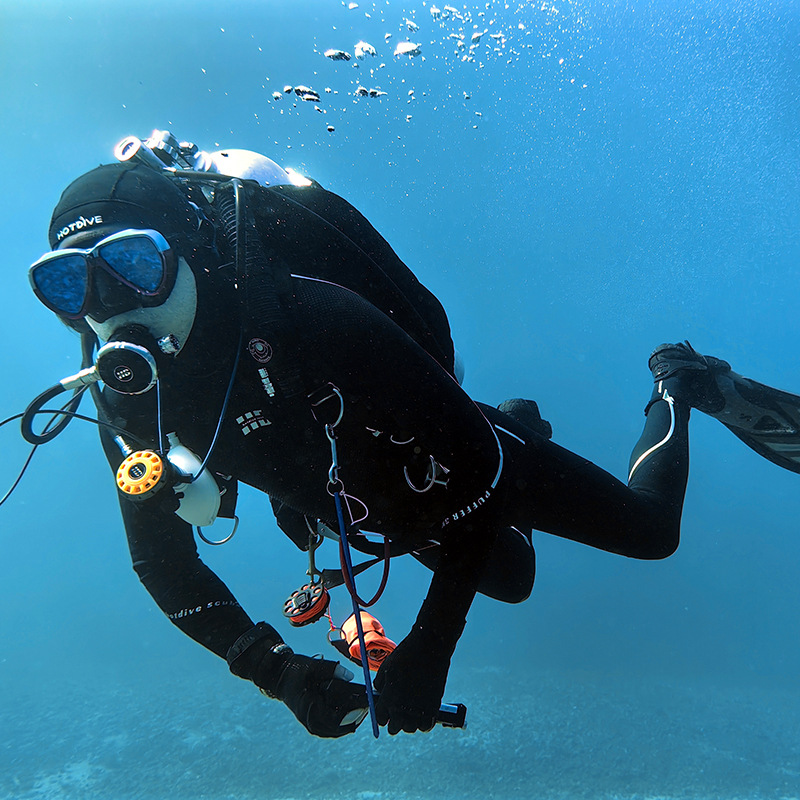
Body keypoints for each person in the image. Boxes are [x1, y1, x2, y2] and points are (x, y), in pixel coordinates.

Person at [26, 132, 799, 738]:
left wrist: (432, 644)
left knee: (651, 534)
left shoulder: (316, 319)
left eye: (131, 263)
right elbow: (161, 560)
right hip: (366, 499)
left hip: (461, 459)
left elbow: (479, 469)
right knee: (514, 578)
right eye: (69, 282)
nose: (109, 304)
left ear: (190, 250)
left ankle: (676, 382)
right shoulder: (131, 401)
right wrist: (277, 671)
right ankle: (525, 419)